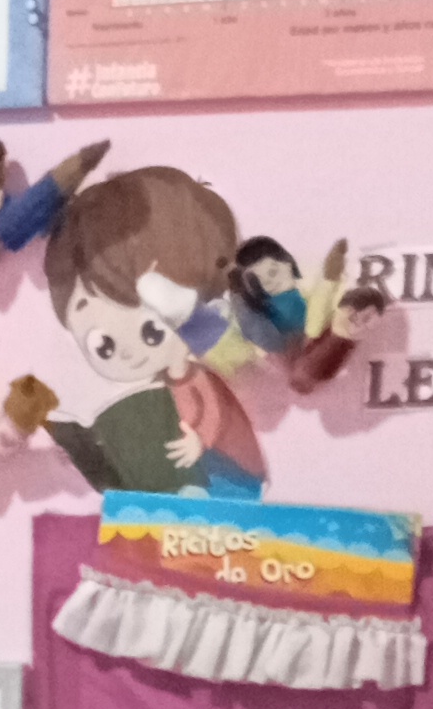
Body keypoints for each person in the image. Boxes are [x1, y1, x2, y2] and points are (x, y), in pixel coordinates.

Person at [41, 167, 267, 501]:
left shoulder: (190, 375)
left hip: (228, 474)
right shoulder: (159, 387)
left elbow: (212, 412)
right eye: (103, 346)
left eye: (151, 332)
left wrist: (199, 441)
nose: (128, 353)